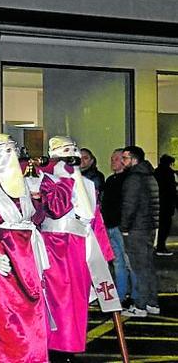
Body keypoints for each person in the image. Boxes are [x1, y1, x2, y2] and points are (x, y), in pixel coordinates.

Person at [0, 134, 73, 363]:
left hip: (27, 256)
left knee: (32, 309)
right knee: (4, 313)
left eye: (13, 151)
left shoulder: (26, 185)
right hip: (3, 255)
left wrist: (41, 197)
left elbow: (38, 216)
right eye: (4, 151)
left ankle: (33, 356)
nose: (12, 157)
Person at [41, 136, 120, 356]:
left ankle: (72, 345)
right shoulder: (46, 178)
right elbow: (55, 208)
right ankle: (55, 346)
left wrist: (103, 253)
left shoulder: (87, 183)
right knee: (59, 301)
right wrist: (67, 177)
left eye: (74, 149)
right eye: (66, 150)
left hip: (81, 247)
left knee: (77, 301)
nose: (72, 154)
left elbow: (95, 218)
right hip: (55, 247)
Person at [120, 146, 160, 317]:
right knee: (148, 267)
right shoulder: (149, 176)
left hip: (137, 228)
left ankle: (141, 306)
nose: (123, 161)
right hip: (148, 226)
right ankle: (152, 303)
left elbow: (129, 206)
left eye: (125, 158)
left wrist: (124, 227)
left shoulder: (134, 178)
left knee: (139, 268)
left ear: (134, 159)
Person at [101, 149, 137, 302]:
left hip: (121, 226)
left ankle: (136, 296)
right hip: (111, 226)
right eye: (112, 159)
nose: (113, 162)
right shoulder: (110, 180)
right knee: (118, 263)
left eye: (116, 159)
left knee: (129, 262)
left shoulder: (128, 180)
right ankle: (121, 295)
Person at [154, 154, 177, 256]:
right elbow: (171, 190)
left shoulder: (156, 172)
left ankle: (160, 245)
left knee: (162, 227)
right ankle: (161, 246)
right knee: (165, 226)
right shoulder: (168, 173)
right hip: (166, 204)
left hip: (159, 203)